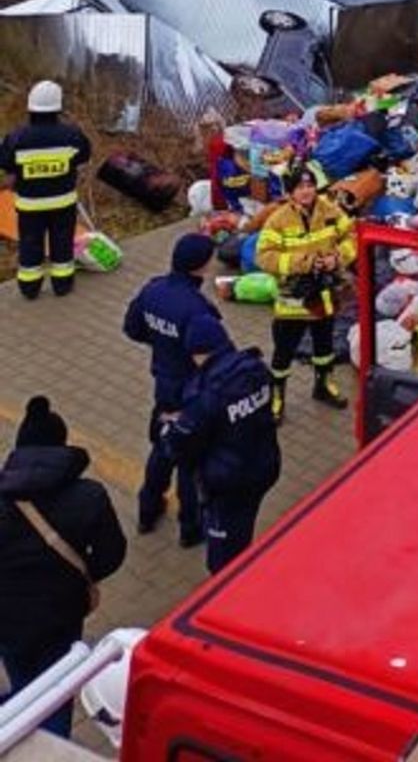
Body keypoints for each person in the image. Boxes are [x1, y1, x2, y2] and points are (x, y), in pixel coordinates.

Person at [0, 396, 126, 737]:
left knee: (24, 684)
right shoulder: (90, 496)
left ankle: (18, 726)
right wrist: (81, 576)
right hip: (61, 615)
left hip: (7, 621)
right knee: (57, 691)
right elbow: (113, 553)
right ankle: (51, 747)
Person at [161, 315, 281, 575]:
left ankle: (232, 585)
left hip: (229, 482)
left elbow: (181, 443)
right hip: (264, 464)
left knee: (223, 560)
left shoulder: (205, 393)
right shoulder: (254, 368)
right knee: (244, 521)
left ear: (195, 352)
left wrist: (171, 428)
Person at [123, 231, 220, 545]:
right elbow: (212, 359)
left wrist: (163, 346)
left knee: (161, 451)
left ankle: (147, 511)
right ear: (201, 266)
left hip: (164, 387)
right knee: (190, 463)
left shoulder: (152, 290)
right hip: (191, 394)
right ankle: (190, 529)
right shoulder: (197, 309)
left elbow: (132, 328)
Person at [256, 165, 356, 423]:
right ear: (290, 192)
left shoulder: (330, 211)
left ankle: (323, 385)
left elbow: (352, 236)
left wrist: (337, 258)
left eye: (310, 186)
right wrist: (304, 263)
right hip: (294, 297)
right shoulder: (278, 220)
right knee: (284, 351)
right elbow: (264, 257)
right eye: (300, 187)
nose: (306, 191)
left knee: (325, 345)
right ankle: (276, 396)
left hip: (325, 292)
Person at [0, 81, 91, 299]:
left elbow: (5, 163)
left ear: (31, 107)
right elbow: (84, 155)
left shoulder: (17, 137)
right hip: (63, 204)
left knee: (30, 245)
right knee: (62, 244)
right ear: (58, 107)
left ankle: (30, 289)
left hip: (30, 206)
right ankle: (62, 286)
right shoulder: (72, 135)